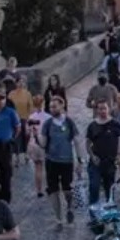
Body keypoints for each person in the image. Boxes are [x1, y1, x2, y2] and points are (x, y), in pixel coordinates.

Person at [41, 96, 84, 226]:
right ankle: (58, 217)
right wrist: (36, 137)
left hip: (66, 161)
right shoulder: (47, 124)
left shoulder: (69, 122)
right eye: (50, 107)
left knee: (67, 189)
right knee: (53, 190)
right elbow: (43, 143)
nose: (52, 109)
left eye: (54, 106)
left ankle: (69, 206)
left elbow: (77, 141)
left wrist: (80, 160)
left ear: (62, 106)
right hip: (51, 161)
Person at [86, 99, 120, 208]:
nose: (102, 111)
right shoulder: (92, 125)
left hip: (110, 162)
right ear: (97, 110)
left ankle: (109, 210)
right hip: (96, 162)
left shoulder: (115, 124)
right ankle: (93, 212)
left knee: (109, 188)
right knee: (94, 186)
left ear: (108, 109)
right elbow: (87, 143)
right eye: (100, 109)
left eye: (104, 108)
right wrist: (92, 156)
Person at [25, 94, 52, 199]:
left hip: (34, 144)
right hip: (45, 144)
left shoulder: (31, 117)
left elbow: (27, 132)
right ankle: (49, 187)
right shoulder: (48, 117)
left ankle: (39, 190)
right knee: (48, 168)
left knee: (38, 168)